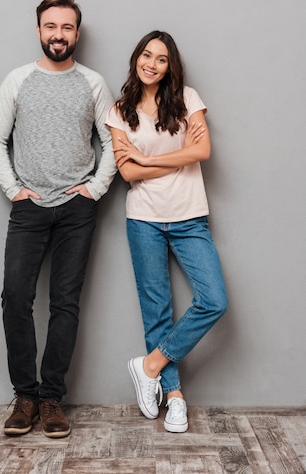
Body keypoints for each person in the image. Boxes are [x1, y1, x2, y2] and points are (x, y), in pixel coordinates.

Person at [0, 0, 116, 438]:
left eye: (66, 27)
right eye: (50, 26)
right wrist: (14, 190)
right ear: (39, 30)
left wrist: (95, 188)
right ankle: (24, 395)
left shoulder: (94, 84)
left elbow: (112, 142)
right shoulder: (18, 80)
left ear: (77, 33)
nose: (58, 34)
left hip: (77, 211)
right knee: (15, 299)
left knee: (65, 303)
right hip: (29, 209)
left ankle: (51, 397)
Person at [106, 30, 227, 433]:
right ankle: (174, 398)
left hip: (190, 216)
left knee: (214, 300)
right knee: (156, 311)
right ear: (136, 59)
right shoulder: (119, 110)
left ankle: (150, 366)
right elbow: (128, 172)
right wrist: (174, 157)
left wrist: (146, 158)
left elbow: (203, 151)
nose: (152, 64)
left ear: (169, 66)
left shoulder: (187, 99)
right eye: (146, 55)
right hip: (143, 219)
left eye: (161, 58)